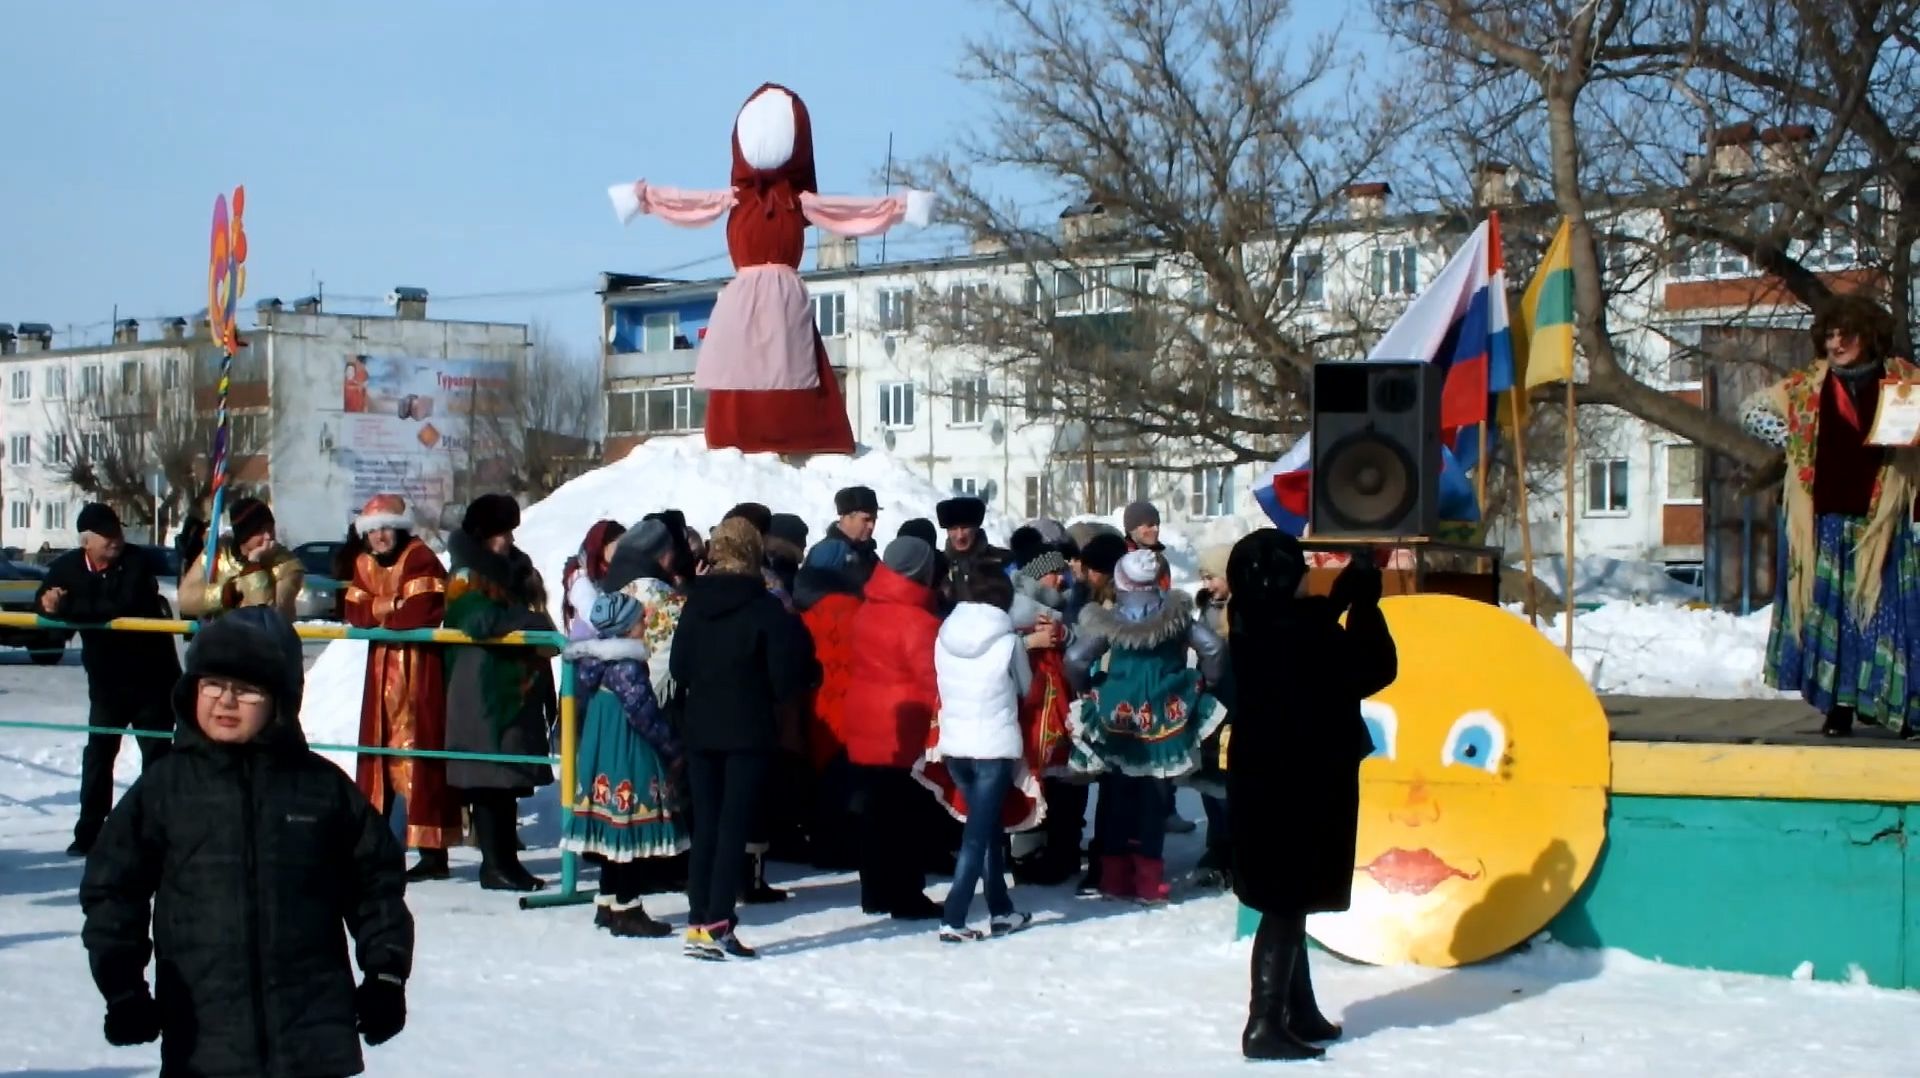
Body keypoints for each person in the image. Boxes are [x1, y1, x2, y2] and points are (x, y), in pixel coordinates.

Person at [79, 607, 413, 1077]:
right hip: (204, 1035)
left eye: (248, 689)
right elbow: (113, 888)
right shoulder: (166, 789)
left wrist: (385, 974)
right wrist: (123, 986)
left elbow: (375, 885)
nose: (226, 701)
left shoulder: (321, 788)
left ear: (280, 701)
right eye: (213, 684)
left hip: (312, 1037)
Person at [1225, 529, 1396, 1061]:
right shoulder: (1303, 632)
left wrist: (1349, 588)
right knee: (1286, 898)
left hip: (1262, 772)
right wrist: (1365, 599)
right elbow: (1374, 667)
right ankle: (1264, 1021)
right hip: (1303, 777)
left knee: (1284, 895)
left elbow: (1312, 621)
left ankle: (1296, 1010)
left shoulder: (1250, 618)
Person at [1741, 293, 1920, 738]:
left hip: (1882, 521)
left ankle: (1893, 707)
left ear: (1869, 336)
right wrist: (1792, 439)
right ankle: (1837, 709)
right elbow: (1750, 409)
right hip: (1824, 522)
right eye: (1831, 335)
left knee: (1886, 617)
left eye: (1847, 334)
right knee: (1831, 617)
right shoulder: (1806, 387)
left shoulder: (1902, 381)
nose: (1837, 344)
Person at [669, 518, 817, 960]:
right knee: (734, 827)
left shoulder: (694, 604)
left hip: (701, 727)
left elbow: (678, 668)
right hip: (748, 728)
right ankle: (719, 922)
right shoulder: (765, 608)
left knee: (706, 826)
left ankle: (698, 919)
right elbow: (786, 676)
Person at [1065, 549, 1228, 904]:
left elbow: (1077, 658)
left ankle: (1113, 877)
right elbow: (1213, 648)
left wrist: (1088, 688)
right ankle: (1148, 881)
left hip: (1118, 715)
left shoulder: (1112, 620)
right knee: (1155, 797)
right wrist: (1205, 681)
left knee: (1117, 795)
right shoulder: (1177, 616)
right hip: (1166, 711)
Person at [38, 503, 181, 856]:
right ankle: (89, 831)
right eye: (107, 534)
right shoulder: (67, 567)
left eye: (118, 531)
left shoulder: (136, 562)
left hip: (152, 679)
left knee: (158, 757)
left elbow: (118, 605)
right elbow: (42, 602)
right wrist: (47, 602)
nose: (116, 539)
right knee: (99, 757)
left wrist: (68, 609)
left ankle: (157, 832)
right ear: (87, 541)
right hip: (107, 683)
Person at [442, 494, 558, 892]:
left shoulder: (508, 572)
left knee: (505, 780)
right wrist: (530, 621)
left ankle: (505, 861)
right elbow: (480, 620)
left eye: (509, 532)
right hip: (481, 689)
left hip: (507, 685)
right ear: (482, 535)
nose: (508, 540)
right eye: (500, 533)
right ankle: (496, 865)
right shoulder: (466, 577)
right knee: (490, 779)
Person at [342, 494, 458, 882]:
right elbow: (354, 612)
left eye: (385, 528)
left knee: (420, 757)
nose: (379, 537)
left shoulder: (420, 556)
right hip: (381, 675)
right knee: (380, 758)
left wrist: (380, 608)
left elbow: (421, 610)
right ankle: (378, 844)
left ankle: (432, 851)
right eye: (372, 531)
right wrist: (389, 605)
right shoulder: (362, 564)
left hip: (418, 673)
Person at [562, 592, 689, 939]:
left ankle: (607, 900)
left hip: (600, 751)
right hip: (627, 753)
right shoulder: (626, 666)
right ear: (624, 629)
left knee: (610, 834)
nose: (644, 625)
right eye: (638, 621)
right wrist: (673, 747)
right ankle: (627, 905)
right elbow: (644, 714)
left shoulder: (592, 665)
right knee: (628, 830)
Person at [927, 571, 1037, 942]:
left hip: (955, 745)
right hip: (993, 745)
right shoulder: (1008, 642)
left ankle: (1001, 909)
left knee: (986, 829)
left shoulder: (944, 635)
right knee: (977, 837)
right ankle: (953, 918)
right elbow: (1026, 688)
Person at [842, 536, 945, 920]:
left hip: (864, 717)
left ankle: (875, 891)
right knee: (906, 816)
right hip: (904, 724)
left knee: (874, 813)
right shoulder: (920, 621)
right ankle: (906, 895)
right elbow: (931, 678)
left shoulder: (867, 607)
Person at [1009, 550, 1083, 886]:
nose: (1061, 579)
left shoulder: (1064, 609)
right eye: (1054, 573)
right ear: (1038, 576)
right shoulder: (1014, 607)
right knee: (1032, 778)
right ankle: (1027, 856)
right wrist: (1029, 642)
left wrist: (1065, 636)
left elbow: (1083, 642)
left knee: (1064, 782)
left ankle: (1062, 853)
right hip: (1030, 709)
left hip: (1060, 705)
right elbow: (998, 650)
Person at [794, 538, 864, 869]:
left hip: (815, 704)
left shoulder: (801, 610)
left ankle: (823, 843)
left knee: (821, 777)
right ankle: (844, 844)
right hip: (855, 706)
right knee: (849, 782)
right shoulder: (859, 609)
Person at [177, 497, 306, 622]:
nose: (268, 537)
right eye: (260, 531)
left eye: (270, 529)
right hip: (220, 639)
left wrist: (254, 567)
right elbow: (186, 601)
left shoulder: (286, 565)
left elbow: (267, 619)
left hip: (262, 642)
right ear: (244, 535)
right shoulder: (219, 552)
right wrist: (228, 592)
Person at [1191, 542, 1236, 890]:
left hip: (1236, 702)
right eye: (1204, 577)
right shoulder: (1205, 608)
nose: (1207, 584)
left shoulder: (1243, 609)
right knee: (1210, 781)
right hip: (1209, 703)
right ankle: (1216, 844)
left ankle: (1232, 848)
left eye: (1213, 577)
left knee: (1231, 782)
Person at [561, 519, 627, 639]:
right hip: (592, 649)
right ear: (602, 547)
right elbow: (596, 619)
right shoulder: (580, 580)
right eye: (619, 545)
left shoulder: (617, 571)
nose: (625, 551)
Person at [937, 496, 1007, 603]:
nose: (960, 536)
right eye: (954, 529)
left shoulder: (1002, 560)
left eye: (965, 528)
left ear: (976, 528)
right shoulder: (938, 566)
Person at [824, 485, 882, 584]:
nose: (871, 526)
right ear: (847, 517)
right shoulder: (827, 554)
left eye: (874, 520)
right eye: (866, 520)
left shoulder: (869, 554)